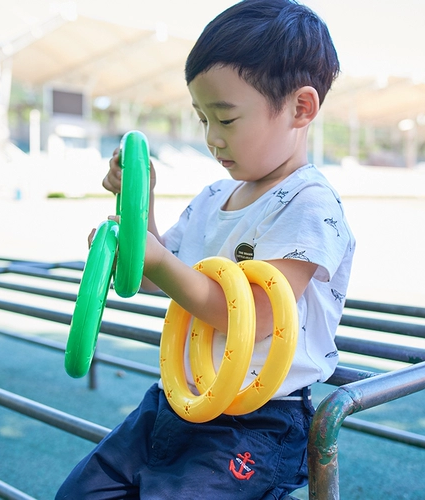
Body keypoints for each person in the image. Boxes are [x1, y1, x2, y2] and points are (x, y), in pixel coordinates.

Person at [56, 0, 355, 498]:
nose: (212, 139)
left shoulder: (308, 203)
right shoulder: (214, 197)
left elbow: (258, 316)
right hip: (177, 399)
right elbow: (151, 277)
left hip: (256, 420)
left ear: (301, 108)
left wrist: (157, 259)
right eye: (202, 119)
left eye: (226, 118)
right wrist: (138, 213)